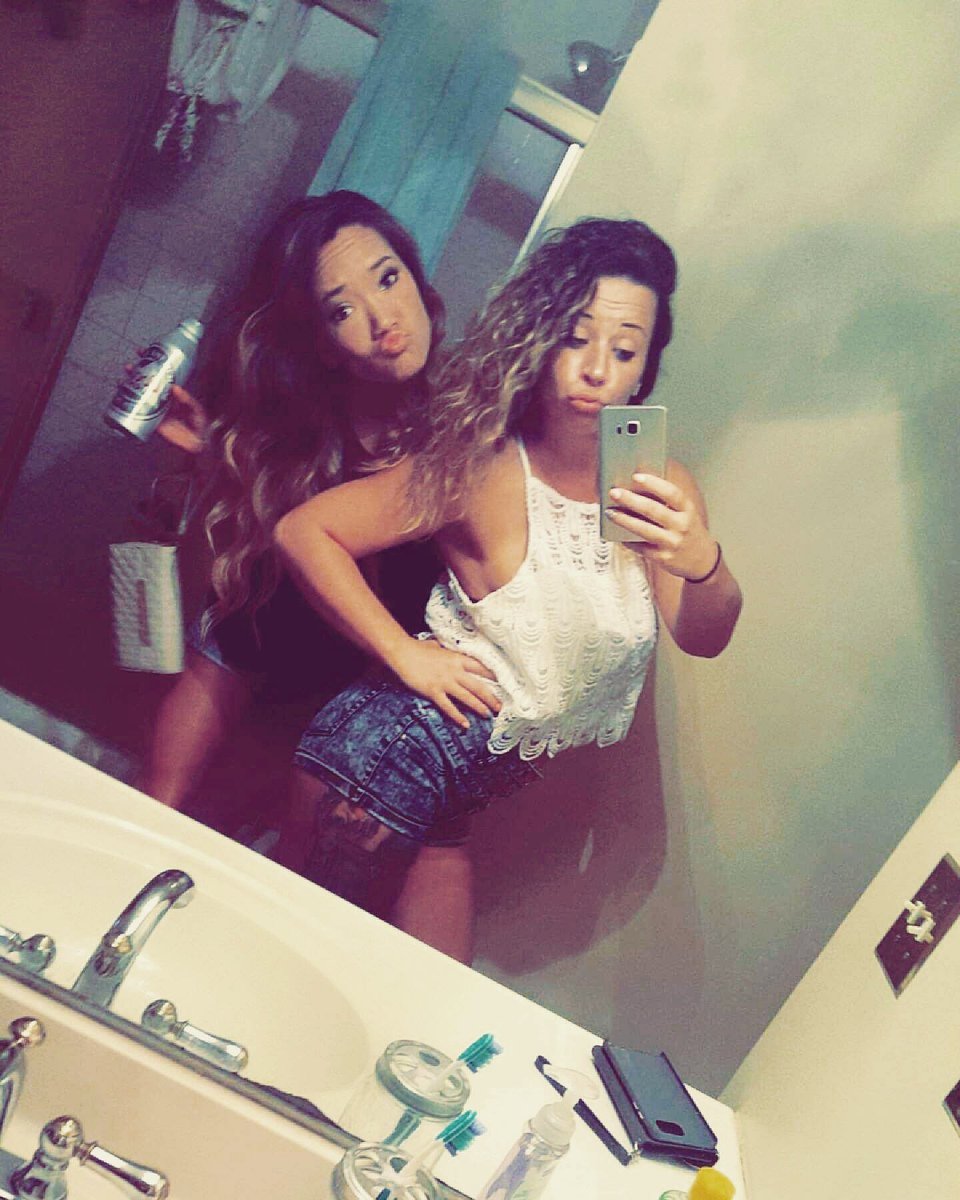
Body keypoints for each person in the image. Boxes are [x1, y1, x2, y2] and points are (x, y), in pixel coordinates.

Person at [273, 217, 744, 963]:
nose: (597, 370)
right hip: (384, 762)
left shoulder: (656, 484)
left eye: (625, 350)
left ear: (645, 369)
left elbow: (703, 636)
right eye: (577, 338)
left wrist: (704, 563)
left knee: (424, 1000)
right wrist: (404, 653)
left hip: (465, 790)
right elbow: (307, 532)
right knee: (296, 960)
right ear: (542, 338)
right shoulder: (482, 465)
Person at [140, 191, 443, 825]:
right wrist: (212, 460)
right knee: (153, 809)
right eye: (342, 309)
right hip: (250, 653)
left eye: (388, 278)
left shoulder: (465, 429)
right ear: (325, 343)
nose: (382, 317)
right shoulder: (299, 430)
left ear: (416, 277)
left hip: (364, 691)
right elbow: (245, 578)